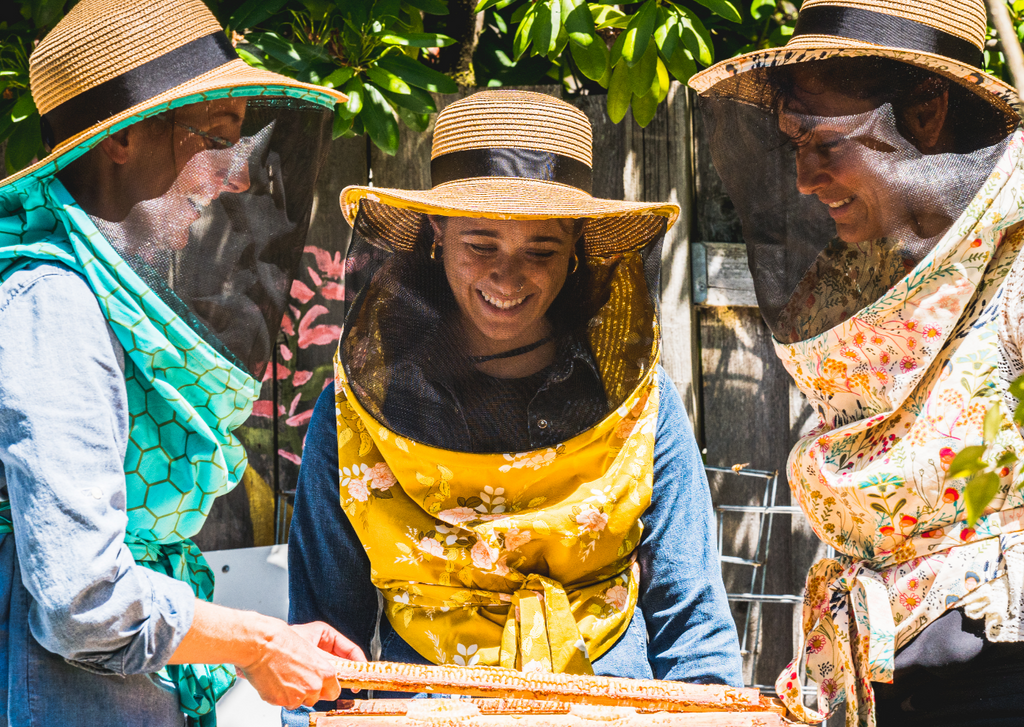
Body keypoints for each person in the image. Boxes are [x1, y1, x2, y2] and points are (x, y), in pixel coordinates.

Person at [285, 90, 743, 722]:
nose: (508, 276)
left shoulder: (638, 404)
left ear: (578, 246)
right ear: (437, 233)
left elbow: (694, 632)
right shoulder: (356, 414)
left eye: (541, 251)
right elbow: (319, 648)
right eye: (482, 244)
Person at [0, 1, 366, 724]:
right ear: (124, 139)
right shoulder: (53, 306)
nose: (235, 177)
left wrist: (263, 643)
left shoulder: (96, 295)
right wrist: (260, 643)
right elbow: (84, 600)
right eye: (216, 140)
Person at [689, 0, 1024, 725]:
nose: (804, 178)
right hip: (873, 670)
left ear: (927, 111)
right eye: (792, 145)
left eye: (825, 141)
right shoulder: (850, 277)